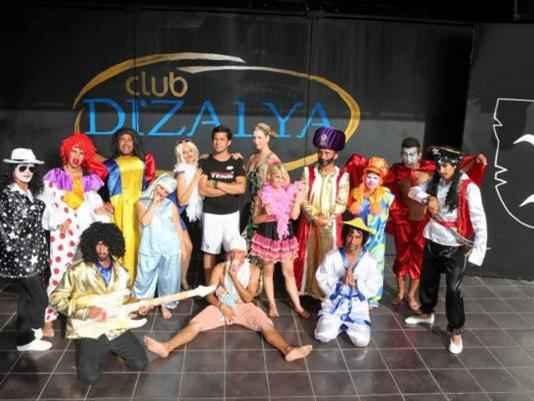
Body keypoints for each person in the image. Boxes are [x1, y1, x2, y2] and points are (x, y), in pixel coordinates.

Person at [143, 236, 313, 362]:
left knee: (266, 326)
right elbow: (209, 294)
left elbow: (248, 298)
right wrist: (221, 306)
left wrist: (234, 278)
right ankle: (166, 347)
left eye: (239, 252)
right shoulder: (219, 268)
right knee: (195, 324)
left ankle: (288, 350)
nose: (235, 255)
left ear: (245, 254)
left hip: (244, 306)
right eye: (232, 252)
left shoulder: (254, 270)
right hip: (222, 304)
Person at [404, 146, 488, 355]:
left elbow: (480, 221)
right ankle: (427, 313)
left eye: (446, 166)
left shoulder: (468, 188)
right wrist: (427, 198)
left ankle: (456, 331)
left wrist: (478, 252)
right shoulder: (434, 181)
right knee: (428, 280)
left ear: (456, 166)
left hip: (455, 245)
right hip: (433, 237)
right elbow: (413, 191)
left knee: (453, 290)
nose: (441, 170)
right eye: (439, 166)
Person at [49, 222, 149, 384]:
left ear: (113, 245)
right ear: (91, 244)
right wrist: (86, 312)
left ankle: (110, 348)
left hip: (115, 327)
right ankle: (98, 349)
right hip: (91, 329)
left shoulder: (122, 272)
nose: (102, 249)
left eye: (106, 245)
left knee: (140, 363)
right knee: (89, 378)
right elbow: (56, 298)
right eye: (98, 244)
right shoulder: (77, 270)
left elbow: (126, 299)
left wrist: (139, 307)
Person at [41, 132, 110, 337]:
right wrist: (58, 220)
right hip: (63, 234)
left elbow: (93, 206)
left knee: (86, 275)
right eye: (74, 151)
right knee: (58, 276)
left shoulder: (89, 180)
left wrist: (102, 211)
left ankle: (83, 317)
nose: (77, 156)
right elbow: (46, 204)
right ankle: (49, 320)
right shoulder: (55, 176)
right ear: (67, 152)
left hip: (85, 233)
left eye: (81, 153)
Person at [0, 148, 52, 351]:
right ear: (13, 169)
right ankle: (34, 332)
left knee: (26, 296)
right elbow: (18, 226)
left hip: (32, 255)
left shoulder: (28, 191)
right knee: (40, 297)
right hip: (21, 256)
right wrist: (38, 206)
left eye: (31, 168)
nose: (28, 172)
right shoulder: (9, 195)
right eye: (23, 168)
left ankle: (24, 340)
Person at [294, 127, 350, 299]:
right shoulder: (308, 172)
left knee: (328, 257)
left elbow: (342, 202)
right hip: (309, 224)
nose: (323, 156)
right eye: (320, 152)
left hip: (330, 225)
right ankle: (306, 291)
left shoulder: (342, 176)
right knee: (307, 257)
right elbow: (302, 198)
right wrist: (314, 217)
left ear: (336, 155)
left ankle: (326, 294)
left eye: (327, 153)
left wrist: (327, 218)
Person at [249, 161, 309, 319]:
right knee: (268, 272)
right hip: (268, 235)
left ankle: (298, 305)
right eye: (277, 176)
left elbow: (294, 216)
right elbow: (255, 220)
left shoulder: (290, 193)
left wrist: (297, 201)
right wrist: (267, 215)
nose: (280, 180)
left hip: (284, 236)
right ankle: (272, 305)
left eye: (283, 177)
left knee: (288, 272)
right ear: (270, 177)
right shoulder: (263, 194)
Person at [385, 137, 436, 311]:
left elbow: (454, 170)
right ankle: (400, 292)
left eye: (412, 154)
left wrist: (476, 161)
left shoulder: (430, 169)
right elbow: (388, 192)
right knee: (401, 256)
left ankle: (412, 295)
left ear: (419, 155)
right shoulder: (396, 170)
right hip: (404, 222)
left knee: (418, 258)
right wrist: (397, 213)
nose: (408, 158)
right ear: (401, 154)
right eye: (405, 154)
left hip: (422, 222)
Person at [315, 218, 381, 347]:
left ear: (363, 239)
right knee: (323, 335)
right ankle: (337, 324)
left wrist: (356, 283)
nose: (352, 241)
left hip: (357, 307)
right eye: (350, 236)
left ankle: (346, 325)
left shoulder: (370, 261)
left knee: (362, 341)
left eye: (357, 237)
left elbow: (375, 284)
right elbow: (321, 276)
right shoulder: (332, 256)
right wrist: (340, 281)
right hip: (334, 305)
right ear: (345, 236)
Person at [103, 127, 156, 282]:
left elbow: (150, 186)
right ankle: (119, 283)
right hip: (119, 209)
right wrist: (104, 201)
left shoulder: (144, 162)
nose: (126, 143)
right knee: (120, 243)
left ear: (135, 143)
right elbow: (99, 187)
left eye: (129, 140)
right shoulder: (109, 164)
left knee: (140, 244)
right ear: (117, 143)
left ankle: (138, 284)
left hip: (139, 208)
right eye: (122, 139)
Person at [198, 125, 246, 283]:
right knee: (209, 251)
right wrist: (229, 188)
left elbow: (241, 188)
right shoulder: (205, 162)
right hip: (211, 214)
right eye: (215, 139)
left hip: (231, 214)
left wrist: (216, 184)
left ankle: (230, 286)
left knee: (232, 251)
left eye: (222, 139)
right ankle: (209, 288)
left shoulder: (237, 161)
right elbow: (203, 190)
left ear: (229, 142)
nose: (218, 142)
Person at [345, 156, 394, 307]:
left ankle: (373, 297)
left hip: (377, 240)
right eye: (369, 177)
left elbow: (394, 214)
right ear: (364, 177)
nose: (371, 180)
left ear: (381, 180)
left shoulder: (386, 196)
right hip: (359, 238)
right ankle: (356, 292)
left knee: (375, 267)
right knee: (357, 265)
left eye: (375, 178)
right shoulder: (356, 193)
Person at [134, 174, 182, 320]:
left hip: (170, 247)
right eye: (161, 188)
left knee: (169, 277)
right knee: (145, 276)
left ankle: (165, 304)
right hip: (149, 246)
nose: (162, 193)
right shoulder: (141, 203)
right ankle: (144, 302)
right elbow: (145, 222)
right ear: (156, 185)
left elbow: (177, 227)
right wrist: (154, 204)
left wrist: (181, 248)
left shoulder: (170, 205)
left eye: (166, 192)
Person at [243, 122, 282, 240]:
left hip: (265, 210)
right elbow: (245, 176)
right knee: (248, 243)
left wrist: (270, 204)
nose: (256, 141)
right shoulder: (252, 157)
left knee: (261, 244)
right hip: (252, 208)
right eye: (254, 138)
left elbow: (285, 182)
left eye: (260, 138)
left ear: (267, 138)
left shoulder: (272, 159)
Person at [173, 138, 202, 290]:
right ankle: (174, 283)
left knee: (188, 248)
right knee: (182, 251)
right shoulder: (181, 172)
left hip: (181, 215)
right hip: (173, 214)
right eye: (184, 152)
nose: (189, 154)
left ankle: (182, 279)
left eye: (190, 150)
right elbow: (182, 200)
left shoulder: (195, 167)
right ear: (180, 156)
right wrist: (196, 179)